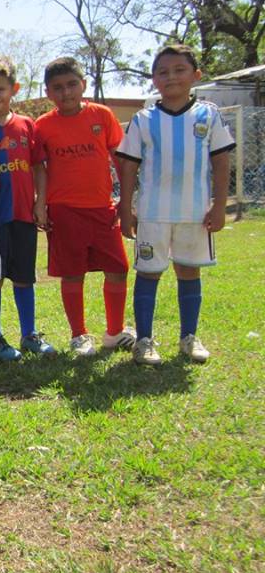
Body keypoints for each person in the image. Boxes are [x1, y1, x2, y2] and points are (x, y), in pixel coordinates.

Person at [117, 44, 235, 365]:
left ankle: (189, 337)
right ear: (154, 79)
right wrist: (126, 207)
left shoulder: (208, 115)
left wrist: (219, 204)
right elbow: (128, 165)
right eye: (163, 72)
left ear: (196, 75)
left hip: (194, 213)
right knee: (148, 273)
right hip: (152, 213)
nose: (171, 77)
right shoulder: (143, 119)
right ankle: (144, 340)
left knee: (188, 270)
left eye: (179, 70)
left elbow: (221, 160)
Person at [34, 57, 136, 356]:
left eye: (71, 85)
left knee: (118, 268)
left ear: (84, 85)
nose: (66, 93)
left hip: (103, 208)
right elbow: (38, 167)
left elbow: (120, 158)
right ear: (48, 92)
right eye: (57, 88)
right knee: (72, 272)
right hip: (64, 211)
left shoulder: (102, 116)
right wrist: (40, 204)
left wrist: (127, 202)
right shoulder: (43, 126)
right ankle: (79, 336)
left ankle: (115, 332)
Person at [0, 56, 56, 361]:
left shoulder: (26, 125)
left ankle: (29, 334)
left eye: (0, 90)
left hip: (23, 216)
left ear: (13, 89)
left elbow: (39, 166)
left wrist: (40, 202)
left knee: (24, 277)